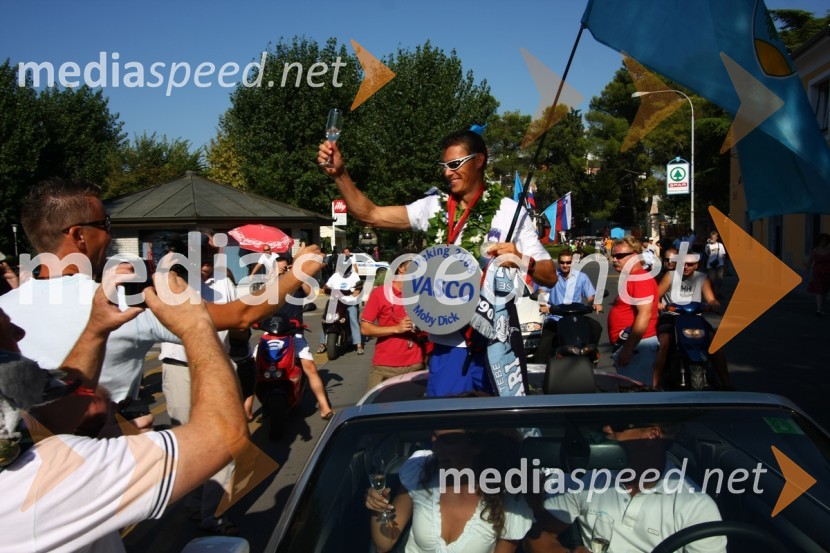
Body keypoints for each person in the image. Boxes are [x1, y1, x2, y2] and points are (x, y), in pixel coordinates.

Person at [0, 265, 289, 552]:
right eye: (4, 328)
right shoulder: (50, 475)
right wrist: (195, 324)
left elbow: (53, 420)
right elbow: (223, 436)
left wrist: (95, 330)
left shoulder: (18, 443)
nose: (19, 331)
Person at [0, 177, 323, 403]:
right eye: (105, 225)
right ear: (78, 236)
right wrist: (296, 272)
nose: (110, 236)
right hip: (112, 455)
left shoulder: (5, 309)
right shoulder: (123, 301)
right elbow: (241, 315)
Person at [318, 129, 556, 396]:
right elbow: (370, 215)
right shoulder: (433, 208)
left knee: (498, 431)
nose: (447, 173)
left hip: (496, 343)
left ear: (479, 161)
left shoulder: (510, 212)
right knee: (447, 433)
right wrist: (340, 175)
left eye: (455, 165)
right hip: (448, 343)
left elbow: (550, 276)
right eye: (443, 166)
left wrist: (522, 260)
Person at [534, 421, 726, 553]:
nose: (607, 429)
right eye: (608, 421)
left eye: (620, 424)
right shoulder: (585, 478)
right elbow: (538, 536)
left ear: (652, 436)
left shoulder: (696, 506)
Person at [158, 237, 241, 535]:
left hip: (217, 368)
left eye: (210, 256)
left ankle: (215, 514)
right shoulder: (169, 287)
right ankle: (195, 503)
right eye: (199, 257)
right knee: (188, 442)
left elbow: (240, 321)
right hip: (179, 369)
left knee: (226, 442)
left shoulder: (224, 285)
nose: (207, 263)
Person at [365, 428, 534, 553]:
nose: (436, 449)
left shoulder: (509, 496)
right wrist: (377, 509)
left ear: (476, 446)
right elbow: (384, 544)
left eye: (448, 442)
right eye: (434, 437)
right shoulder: (420, 469)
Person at [655, 253, 732, 389]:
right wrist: (659, 304)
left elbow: (711, 298)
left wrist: (714, 304)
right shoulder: (670, 276)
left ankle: (726, 382)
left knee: (715, 344)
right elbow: (656, 295)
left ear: (696, 265)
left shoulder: (702, 278)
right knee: (665, 342)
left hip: (694, 317)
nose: (686, 267)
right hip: (671, 315)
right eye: (683, 263)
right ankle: (655, 382)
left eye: (690, 264)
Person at [274, 257, 335, 419]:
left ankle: (324, 406)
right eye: (280, 268)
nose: (283, 271)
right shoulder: (271, 284)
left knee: (311, 368)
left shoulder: (297, 284)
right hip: (272, 334)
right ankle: (246, 411)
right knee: (254, 366)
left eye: (286, 268)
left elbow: (311, 294)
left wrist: (297, 276)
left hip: (295, 333)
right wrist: (273, 277)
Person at [360, 256, 426, 389]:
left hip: (416, 365)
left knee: (413, 409)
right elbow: (365, 329)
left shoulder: (423, 293)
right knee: (375, 409)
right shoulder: (380, 293)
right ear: (401, 268)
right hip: (385, 367)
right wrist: (397, 328)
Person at [607, 236, 659, 386]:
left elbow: (645, 314)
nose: (614, 259)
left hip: (638, 347)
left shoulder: (640, 278)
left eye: (620, 256)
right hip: (632, 345)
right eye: (613, 256)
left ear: (635, 255)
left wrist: (628, 349)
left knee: (636, 393)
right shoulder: (633, 278)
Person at [534, 251, 602, 363]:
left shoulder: (582, 277)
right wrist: (542, 304)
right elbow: (541, 291)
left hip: (576, 318)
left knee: (596, 327)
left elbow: (590, 297)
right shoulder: (552, 277)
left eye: (568, 262)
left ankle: (591, 356)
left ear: (573, 262)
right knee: (544, 344)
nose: (565, 265)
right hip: (556, 317)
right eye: (562, 262)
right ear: (558, 263)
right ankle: (539, 373)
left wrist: (595, 303)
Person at [317, 250, 364, 355]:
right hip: (336, 301)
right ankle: (322, 343)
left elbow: (359, 288)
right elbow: (327, 286)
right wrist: (325, 288)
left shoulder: (354, 276)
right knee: (327, 319)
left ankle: (358, 344)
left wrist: (354, 294)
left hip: (349, 301)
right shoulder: (335, 276)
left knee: (353, 319)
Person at [806, 233, 830, 316]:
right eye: (822, 240)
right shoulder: (815, 251)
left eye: (825, 240)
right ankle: (819, 310)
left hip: (827, 273)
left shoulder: (829, 251)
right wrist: (807, 273)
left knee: (825, 291)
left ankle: (821, 307)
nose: (823, 242)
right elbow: (809, 262)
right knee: (819, 290)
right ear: (819, 241)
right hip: (818, 273)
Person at [704, 231, 727, 298]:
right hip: (710, 265)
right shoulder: (708, 245)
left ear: (717, 238)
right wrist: (708, 244)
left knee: (720, 279)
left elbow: (723, 255)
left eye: (714, 237)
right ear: (710, 238)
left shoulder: (720, 245)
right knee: (712, 280)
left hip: (720, 265)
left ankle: (717, 292)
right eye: (712, 237)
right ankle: (713, 293)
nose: (713, 239)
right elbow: (707, 253)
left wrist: (724, 264)